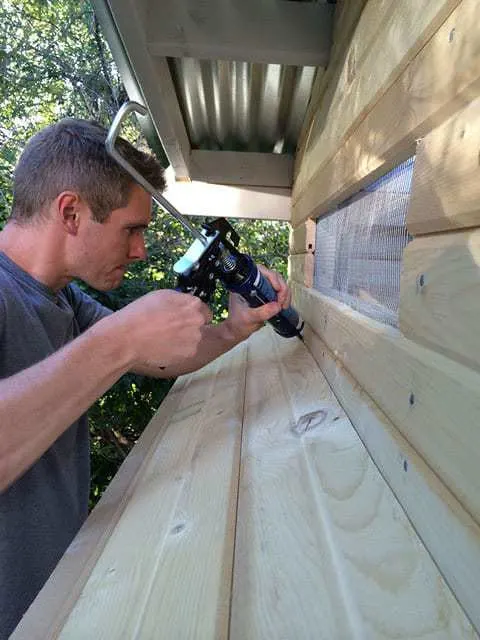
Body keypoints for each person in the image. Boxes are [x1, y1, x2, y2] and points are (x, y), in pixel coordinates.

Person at [0, 118, 291, 637]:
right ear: (71, 212)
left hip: (55, 605)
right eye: (131, 230)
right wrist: (120, 340)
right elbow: (120, 346)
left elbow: (151, 354)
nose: (139, 251)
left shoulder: (62, 297)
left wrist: (232, 330)